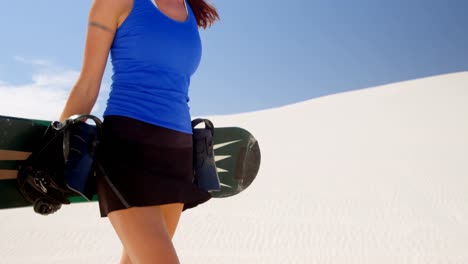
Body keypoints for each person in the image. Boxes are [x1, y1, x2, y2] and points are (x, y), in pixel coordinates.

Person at [58, 0, 219, 263]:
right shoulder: (115, 4)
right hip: (127, 153)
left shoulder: (189, 13)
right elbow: (87, 86)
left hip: (177, 158)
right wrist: (57, 154)